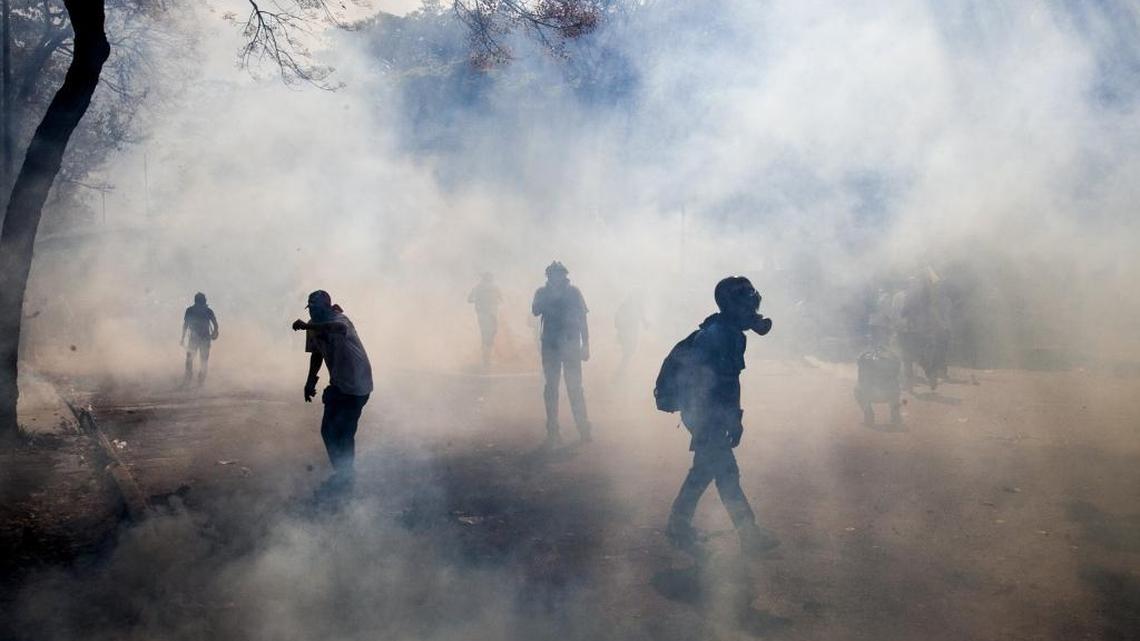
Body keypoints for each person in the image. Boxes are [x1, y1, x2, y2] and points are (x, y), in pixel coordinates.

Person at [664, 276, 779, 556]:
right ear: (732, 307)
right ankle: (749, 535)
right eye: (747, 307)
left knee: (704, 470)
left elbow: (729, 383)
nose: (752, 312)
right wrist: (730, 420)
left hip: (705, 410)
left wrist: (732, 417)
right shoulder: (720, 336)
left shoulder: (727, 332)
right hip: (703, 410)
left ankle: (678, 524)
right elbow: (720, 385)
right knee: (727, 474)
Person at [292, 290, 373, 490]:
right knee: (328, 431)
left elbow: (337, 328)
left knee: (345, 433)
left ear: (328, 307)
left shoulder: (340, 319)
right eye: (311, 309)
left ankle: (346, 476)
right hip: (338, 384)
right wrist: (310, 381)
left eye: (318, 309)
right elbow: (316, 354)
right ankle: (344, 472)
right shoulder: (314, 325)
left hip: (357, 385)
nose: (314, 313)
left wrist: (306, 325)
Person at [531, 261, 591, 445]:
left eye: (559, 274)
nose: (556, 277)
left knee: (575, 387)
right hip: (550, 345)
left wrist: (586, 344)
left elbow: (582, 319)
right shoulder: (542, 292)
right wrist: (549, 298)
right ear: (548, 276)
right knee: (551, 387)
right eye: (552, 274)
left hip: (571, 344)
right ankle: (553, 430)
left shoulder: (574, 292)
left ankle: (584, 429)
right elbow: (535, 311)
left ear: (565, 275)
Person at [180, 292, 218, 386]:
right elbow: (215, 324)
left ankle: (189, 380)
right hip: (204, 338)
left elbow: (185, 325)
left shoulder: (190, 310)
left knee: (190, 360)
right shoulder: (208, 311)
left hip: (194, 338)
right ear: (204, 301)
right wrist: (214, 333)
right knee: (203, 360)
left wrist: (183, 337)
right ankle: (200, 382)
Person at [468, 272, 503, 367]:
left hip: (484, 315)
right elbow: (501, 299)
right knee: (490, 334)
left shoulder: (478, 287)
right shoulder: (494, 287)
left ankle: (486, 359)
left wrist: (479, 301)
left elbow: (469, 299)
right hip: (490, 314)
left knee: (486, 334)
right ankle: (486, 359)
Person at [615, 291, 648, 376]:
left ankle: (621, 371)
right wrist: (621, 330)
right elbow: (617, 319)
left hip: (632, 332)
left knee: (629, 352)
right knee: (627, 352)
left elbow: (641, 315)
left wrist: (645, 323)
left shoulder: (637, 305)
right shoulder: (626, 305)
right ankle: (620, 372)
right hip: (627, 333)